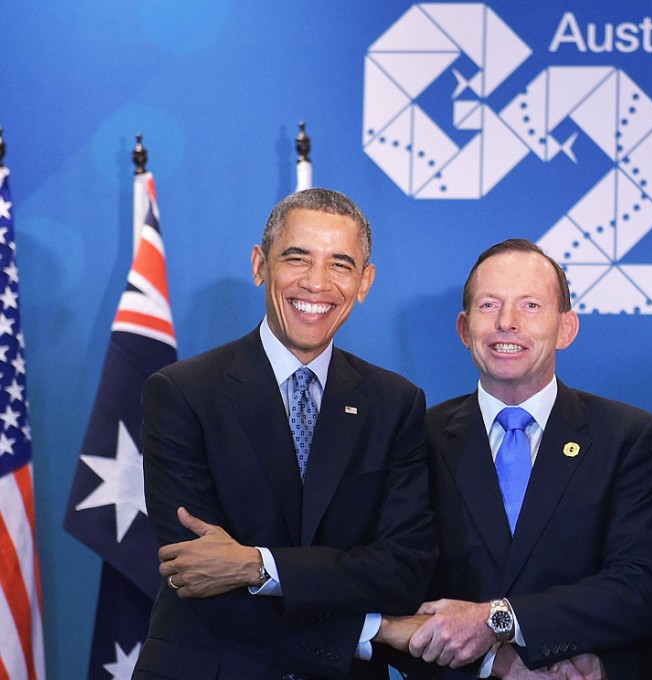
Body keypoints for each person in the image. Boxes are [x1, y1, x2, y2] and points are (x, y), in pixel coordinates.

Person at [135, 188, 436, 679]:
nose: (317, 283)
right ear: (259, 266)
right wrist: (371, 631)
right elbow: (196, 573)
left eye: (341, 264)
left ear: (365, 282)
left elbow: (402, 570)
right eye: (297, 258)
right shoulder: (182, 393)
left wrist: (257, 566)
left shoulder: (395, 403)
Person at [388, 238, 652, 679]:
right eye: (488, 306)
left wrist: (501, 621)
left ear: (566, 328)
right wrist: (497, 662)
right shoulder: (417, 437)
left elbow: (640, 589)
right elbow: (397, 593)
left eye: (531, 306)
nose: (507, 323)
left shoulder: (629, 438)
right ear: (464, 329)